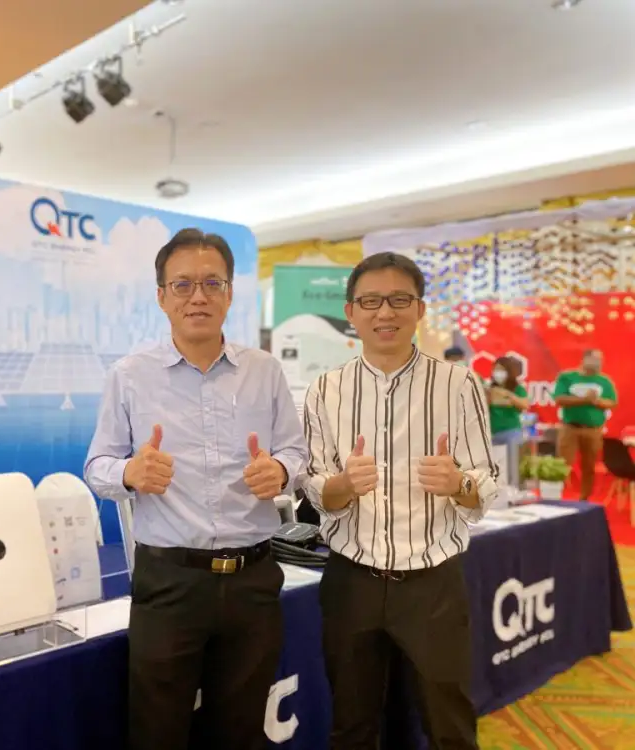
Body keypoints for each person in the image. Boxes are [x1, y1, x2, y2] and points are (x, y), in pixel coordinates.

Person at [84, 228, 305, 750]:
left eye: (212, 283)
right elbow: (97, 465)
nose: (198, 296)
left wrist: (280, 470)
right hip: (170, 583)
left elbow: (296, 452)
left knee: (241, 730)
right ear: (162, 297)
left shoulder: (264, 371)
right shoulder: (129, 376)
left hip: (253, 579)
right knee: (157, 731)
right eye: (182, 285)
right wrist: (130, 473)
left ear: (229, 293)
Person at [299, 251, 499, 750]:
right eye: (370, 301)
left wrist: (458, 483)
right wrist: (344, 485)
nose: (384, 312)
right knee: (352, 725)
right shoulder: (325, 389)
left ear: (420, 309)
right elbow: (316, 486)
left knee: (449, 724)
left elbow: (485, 483)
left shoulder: (458, 384)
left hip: (432, 584)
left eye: (398, 300)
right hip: (351, 581)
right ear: (350, 312)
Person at [554, 349, 618, 500]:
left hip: (593, 430)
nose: (598, 363)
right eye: (595, 359)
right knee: (562, 464)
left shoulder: (605, 381)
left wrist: (596, 401)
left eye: (600, 360)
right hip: (570, 428)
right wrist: (584, 399)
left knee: (589, 466)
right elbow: (559, 399)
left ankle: (584, 499)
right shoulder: (567, 377)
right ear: (584, 359)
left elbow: (612, 403)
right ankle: (557, 496)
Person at [488, 356, 530, 487]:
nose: (498, 373)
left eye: (501, 370)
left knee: (513, 467)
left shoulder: (517, 388)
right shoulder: (489, 389)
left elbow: (525, 405)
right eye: (496, 369)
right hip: (492, 434)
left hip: (511, 432)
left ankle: (514, 489)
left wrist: (508, 395)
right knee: (494, 468)